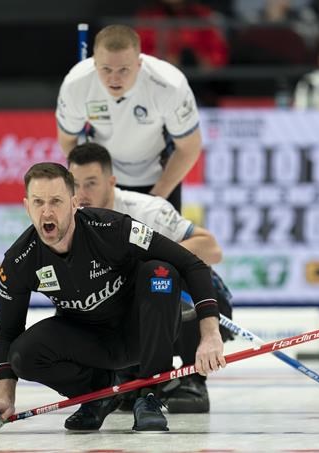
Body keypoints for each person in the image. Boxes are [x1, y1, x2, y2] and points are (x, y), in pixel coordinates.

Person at [0, 163, 225, 432]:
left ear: (74, 203)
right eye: (38, 202)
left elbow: (193, 264)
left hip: (142, 332)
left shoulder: (112, 227)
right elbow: (6, 332)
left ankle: (150, 396)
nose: (46, 212)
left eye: (56, 201)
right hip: (91, 344)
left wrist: (210, 334)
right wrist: (5, 398)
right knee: (21, 355)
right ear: (27, 206)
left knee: (160, 272)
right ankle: (99, 394)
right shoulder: (19, 261)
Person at [67, 142, 234, 414]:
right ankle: (131, 374)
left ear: (111, 182)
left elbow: (211, 248)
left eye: (91, 183)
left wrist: (157, 255)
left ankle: (192, 378)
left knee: (161, 275)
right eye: (75, 184)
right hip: (139, 314)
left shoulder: (147, 209)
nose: (82, 194)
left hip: (194, 305)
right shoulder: (70, 221)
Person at [56, 24, 203, 212]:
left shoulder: (169, 85)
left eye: (123, 70)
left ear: (139, 65)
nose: (114, 79)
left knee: (164, 232)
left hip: (159, 177)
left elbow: (189, 147)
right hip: (104, 180)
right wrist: (85, 180)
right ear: (94, 64)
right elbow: (67, 139)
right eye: (106, 69)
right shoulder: (76, 84)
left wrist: (154, 199)